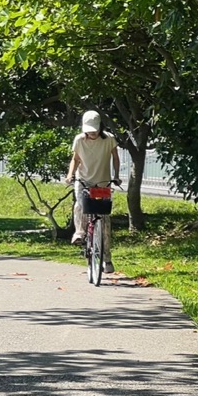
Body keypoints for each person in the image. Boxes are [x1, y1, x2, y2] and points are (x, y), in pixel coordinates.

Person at [64, 110, 121, 273]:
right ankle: (80, 233)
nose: (92, 133)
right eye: (89, 130)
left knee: (104, 219)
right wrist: (70, 176)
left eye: (94, 129)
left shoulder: (109, 139)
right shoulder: (79, 140)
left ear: (100, 127)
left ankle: (107, 259)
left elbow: (116, 158)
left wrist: (116, 176)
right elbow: (75, 159)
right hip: (84, 180)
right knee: (79, 205)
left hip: (102, 183)